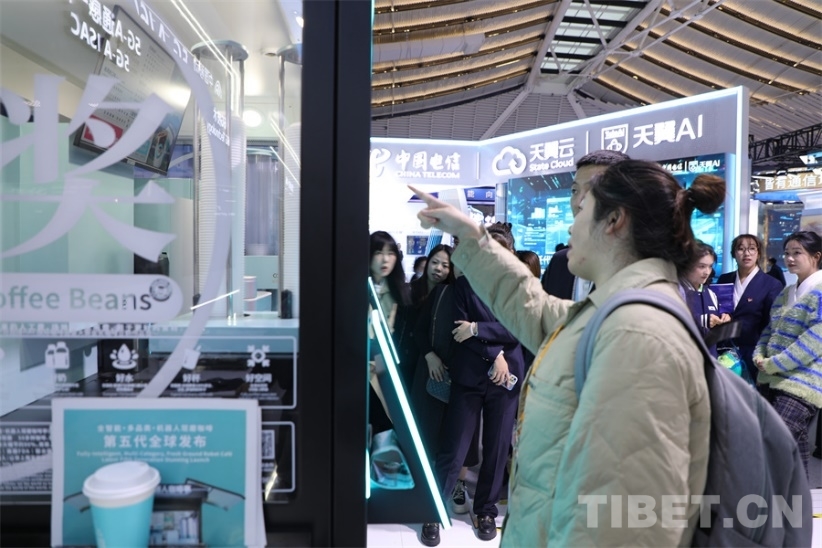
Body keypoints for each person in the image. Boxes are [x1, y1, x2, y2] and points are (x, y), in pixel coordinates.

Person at [411, 159, 725, 546]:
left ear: (614, 221)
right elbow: (534, 307)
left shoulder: (640, 333)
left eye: (582, 208)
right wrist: (470, 236)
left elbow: (634, 520)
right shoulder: (616, 310)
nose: (571, 223)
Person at [421, 223, 524, 545]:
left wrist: (479, 329)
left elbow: (517, 327)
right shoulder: (464, 285)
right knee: (453, 448)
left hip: (505, 378)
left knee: (497, 448)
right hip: (470, 375)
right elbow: (458, 330)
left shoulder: (519, 288)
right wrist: (496, 354)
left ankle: (486, 511)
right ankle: (434, 510)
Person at [754, 230, 822, 474]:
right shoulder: (787, 292)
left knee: (774, 436)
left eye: (797, 253)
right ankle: (797, 495)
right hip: (771, 378)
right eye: (787, 253)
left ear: (816, 256)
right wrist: (759, 355)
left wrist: (773, 363)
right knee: (795, 446)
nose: (790, 258)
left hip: (803, 382)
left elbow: (814, 341)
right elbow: (770, 330)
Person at [541, 149, 630, 300]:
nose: (578, 202)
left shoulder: (636, 274)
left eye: (592, 191)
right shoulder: (560, 263)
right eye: (574, 191)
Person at [716, 234, 783, 381]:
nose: (746, 253)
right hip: (724, 350)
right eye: (741, 249)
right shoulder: (724, 279)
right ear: (734, 254)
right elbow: (718, 309)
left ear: (758, 253)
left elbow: (772, 324)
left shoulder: (771, 284)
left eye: (752, 249)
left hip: (753, 352)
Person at [369, 231, 411, 433]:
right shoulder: (356, 288)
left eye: (390, 253)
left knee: (384, 425)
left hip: (385, 369)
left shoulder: (400, 293)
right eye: (378, 252)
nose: (385, 259)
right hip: (358, 368)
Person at [679, 241, 730, 356]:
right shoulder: (677, 291)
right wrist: (703, 320)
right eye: (701, 266)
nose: (707, 272)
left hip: (710, 359)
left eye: (710, 266)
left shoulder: (711, 294)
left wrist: (723, 322)